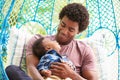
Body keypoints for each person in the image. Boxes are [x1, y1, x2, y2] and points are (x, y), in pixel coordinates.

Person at [6, 3, 98, 80]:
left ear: (79, 31)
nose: (64, 31)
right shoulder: (39, 41)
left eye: (71, 30)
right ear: (60, 20)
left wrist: (71, 74)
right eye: (63, 24)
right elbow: (31, 68)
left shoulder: (84, 50)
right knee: (11, 70)